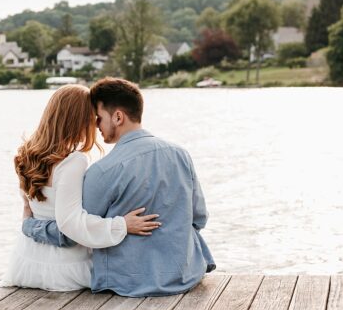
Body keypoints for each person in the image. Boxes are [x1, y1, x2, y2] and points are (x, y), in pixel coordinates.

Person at [22, 77, 216, 296]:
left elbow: (72, 233)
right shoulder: (181, 155)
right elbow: (199, 218)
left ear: (117, 117)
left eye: (99, 118)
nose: (95, 125)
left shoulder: (102, 171)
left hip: (129, 283)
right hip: (186, 275)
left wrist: (29, 226)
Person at [0, 84, 160, 290]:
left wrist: (28, 226)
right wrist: (122, 225)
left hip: (25, 264)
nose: (95, 125)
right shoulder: (73, 161)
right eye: (93, 118)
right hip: (65, 269)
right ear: (80, 120)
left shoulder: (26, 156)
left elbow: (27, 212)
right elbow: (70, 223)